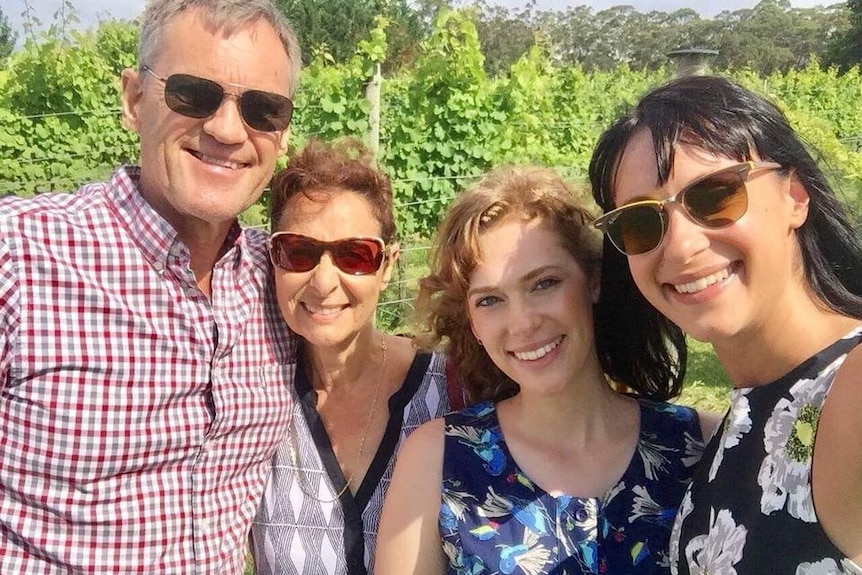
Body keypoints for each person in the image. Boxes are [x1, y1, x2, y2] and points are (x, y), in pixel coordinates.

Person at [0, 0, 301, 572]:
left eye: (263, 108)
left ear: (282, 131)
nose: (227, 129)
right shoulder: (18, 257)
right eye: (195, 94)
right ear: (135, 100)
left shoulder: (282, 277)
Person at [375, 166, 720, 574]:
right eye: (489, 300)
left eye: (544, 283)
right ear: (471, 323)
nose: (522, 323)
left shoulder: (703, 447)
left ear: (592, 280)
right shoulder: (436, 460)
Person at [588, 75, 862, 573]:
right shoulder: (739, 420)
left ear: (795, 197)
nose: (681, 245)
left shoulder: (849, 388)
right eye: (642, 222)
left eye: (715, 196)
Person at [249, 138, 451, 575]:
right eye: (299, 252)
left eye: (354, 255)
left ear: (388, 265)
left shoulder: (452, 391)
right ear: (273, 260)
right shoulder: (253, 404)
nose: (323, 282)